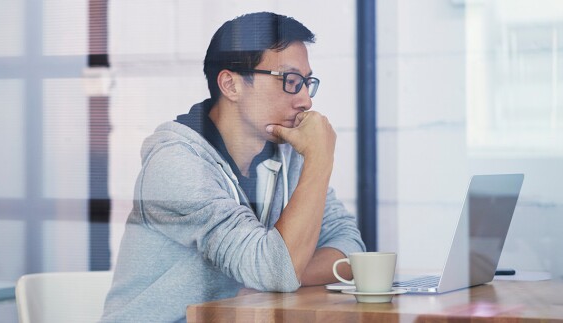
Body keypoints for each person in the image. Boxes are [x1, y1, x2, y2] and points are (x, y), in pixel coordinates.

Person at [101, 12, 365, 322]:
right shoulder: (176, 164)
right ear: (231, 85)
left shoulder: (289, 156)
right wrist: (320, 160)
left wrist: (283, 272)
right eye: (290, 81)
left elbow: (351, 250)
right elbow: (277, 272)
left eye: (307, 83)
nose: (306, 100)